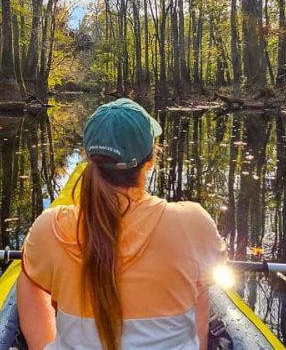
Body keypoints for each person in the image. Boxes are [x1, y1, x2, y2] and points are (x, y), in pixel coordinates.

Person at [17, 99, 227, 350]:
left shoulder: (50, 227)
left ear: (90, 158)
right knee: (201, 282)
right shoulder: (193, 222)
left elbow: (31, 288)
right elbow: (207, 283)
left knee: (28, 277)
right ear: (150, 160)